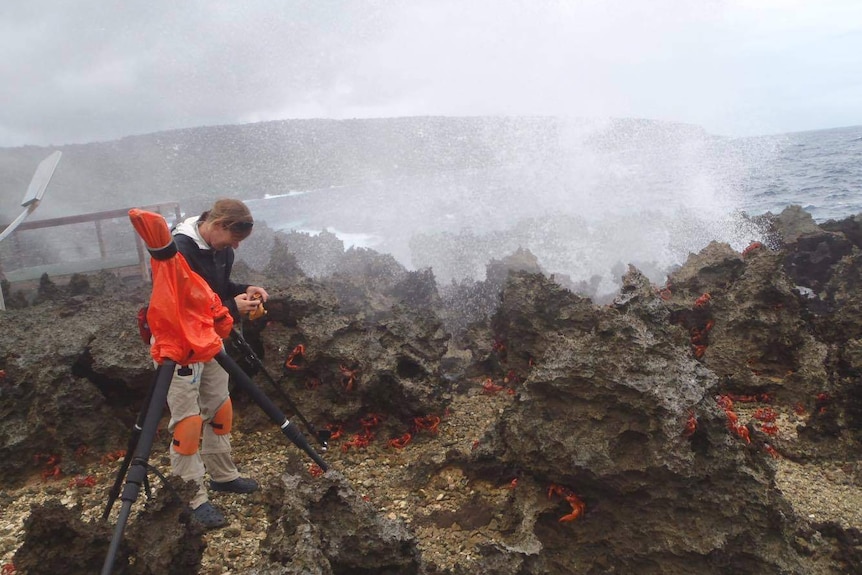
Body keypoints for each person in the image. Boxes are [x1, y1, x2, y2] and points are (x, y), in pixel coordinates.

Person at [168, 198, 269, 529]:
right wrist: (231, 306)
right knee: (187, 421)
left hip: (210, 339)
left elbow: (216, 291)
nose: (236, 246)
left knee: (219, 407)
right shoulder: (178, 250)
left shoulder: (221, 250)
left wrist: (243, 291)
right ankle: (192, 497)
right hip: (179, 343)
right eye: (235, 238)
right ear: (219, 225)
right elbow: (180, 305)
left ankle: (223, 476)